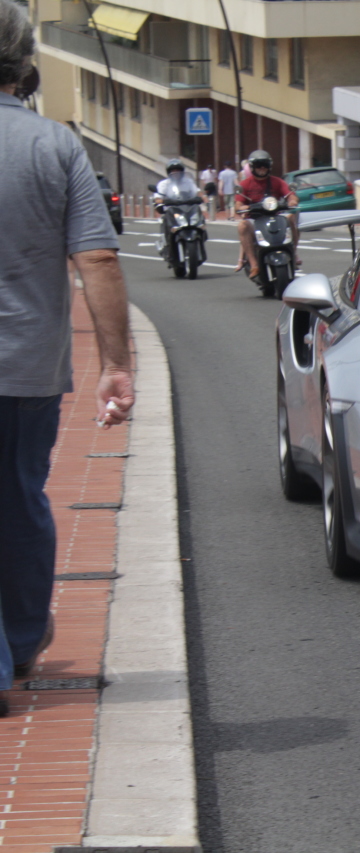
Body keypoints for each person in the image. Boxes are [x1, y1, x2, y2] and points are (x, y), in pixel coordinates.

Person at [0, 0, 133, 717]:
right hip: (26, 367)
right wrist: (118, 363)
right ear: (22, 61)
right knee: (19, 498)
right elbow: (99, 258)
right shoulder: (53, 145)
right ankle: (20, 642)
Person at [235, 149, 298, 279]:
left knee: (292, 217)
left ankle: (294, 253)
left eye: (265, 165)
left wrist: (292, 201)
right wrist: (243, 207)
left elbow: (291, 195)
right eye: (258, 165)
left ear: (270, 166)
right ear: (252, 167)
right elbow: (238, 204)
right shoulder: (245, 184)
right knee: (242, 226)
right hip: (254, 218)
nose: (262, 168)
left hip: (275, 216)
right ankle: (254, 265)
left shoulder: (277, 181)